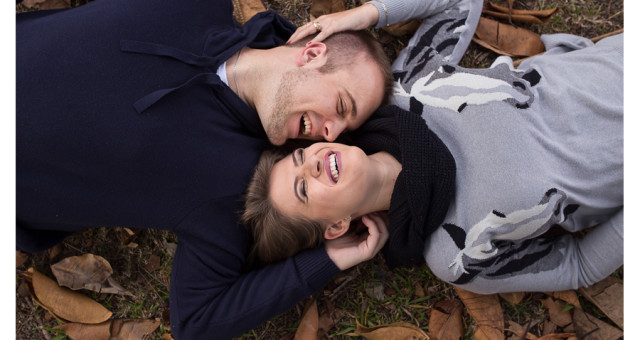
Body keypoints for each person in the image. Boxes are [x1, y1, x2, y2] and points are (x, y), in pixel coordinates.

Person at [16, 0, 395, 338]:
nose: (331, 133)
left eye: (345, 129)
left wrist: (328, 260)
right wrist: (372, 11)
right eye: (342, 106)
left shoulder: (233, 184)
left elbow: (196, 321)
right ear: (311, 53)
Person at [243, 0, 623, 293]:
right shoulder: (455, 255)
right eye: (304, 188)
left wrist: (364, 15)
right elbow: (578, 266)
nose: (311, 162)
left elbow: (460, 4)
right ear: (337, 227)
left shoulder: (406, 92)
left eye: (298, 156)